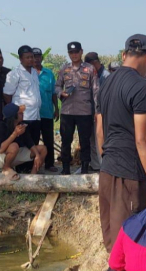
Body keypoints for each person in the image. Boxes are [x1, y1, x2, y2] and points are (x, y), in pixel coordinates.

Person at [96, 34, 146, 252]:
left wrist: (105, 161)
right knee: (131, 240)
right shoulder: (140, 86)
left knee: (113, 241)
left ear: (124, 55)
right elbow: (142, 139)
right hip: (129, 173)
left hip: (107, 170)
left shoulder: (106, 83)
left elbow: (99, 131)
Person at [55, 41, 99, 175]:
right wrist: (60, 93)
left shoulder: (90, 69)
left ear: (81, 52)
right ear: (68, 54)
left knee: (85, 141)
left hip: (84, 111)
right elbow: (57, 86)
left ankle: (85, 167)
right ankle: (66, 167)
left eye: (76, 52)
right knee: (66, 140)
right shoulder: (64, 69)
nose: (74, 55)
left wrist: (97, 111)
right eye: (71, 52)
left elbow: (96, 90)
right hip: (67, 111)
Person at [0, 103, 47, 181]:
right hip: (2, 157)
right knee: (14, 146)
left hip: (17, 154)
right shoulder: (0, 127)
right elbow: (0, 149)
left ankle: (33, 175)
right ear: (14, 116)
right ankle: (6, 168)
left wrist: (37, 155)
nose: (22, 114)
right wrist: (15, 134)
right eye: (20, 113)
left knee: (43, 149)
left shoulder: (21, 125)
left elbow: (29, 142)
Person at [3, 45, 42, 149]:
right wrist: (16, 111)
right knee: (23, 146)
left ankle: (34, 166)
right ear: (20, 58)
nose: (30, 60)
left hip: (36, 116)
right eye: (27, 57)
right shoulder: (14, 74)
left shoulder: (34, 72)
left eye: (31, 57)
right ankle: (23, 166)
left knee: (34, 144)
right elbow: (7, 94)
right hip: (23, 117)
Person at [33, 47, 60, 172]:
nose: (36, 59)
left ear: (42, 58)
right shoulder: (26, 73)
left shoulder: (48, 74)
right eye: (34, 56)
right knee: (33, 140)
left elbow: (53, 93)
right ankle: (31, 165)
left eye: (38, 56)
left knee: (49, 139)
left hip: (47, 112)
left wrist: (56, 109)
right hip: (32, 114)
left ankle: (49, 164)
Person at [84, 51, 109, 173]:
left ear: (93, 63)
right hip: (90, 111)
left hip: (102, 112)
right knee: (92, 139)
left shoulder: (106, 76)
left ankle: (104, 166)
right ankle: (95, 165)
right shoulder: (91, 74)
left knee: (102, 138)